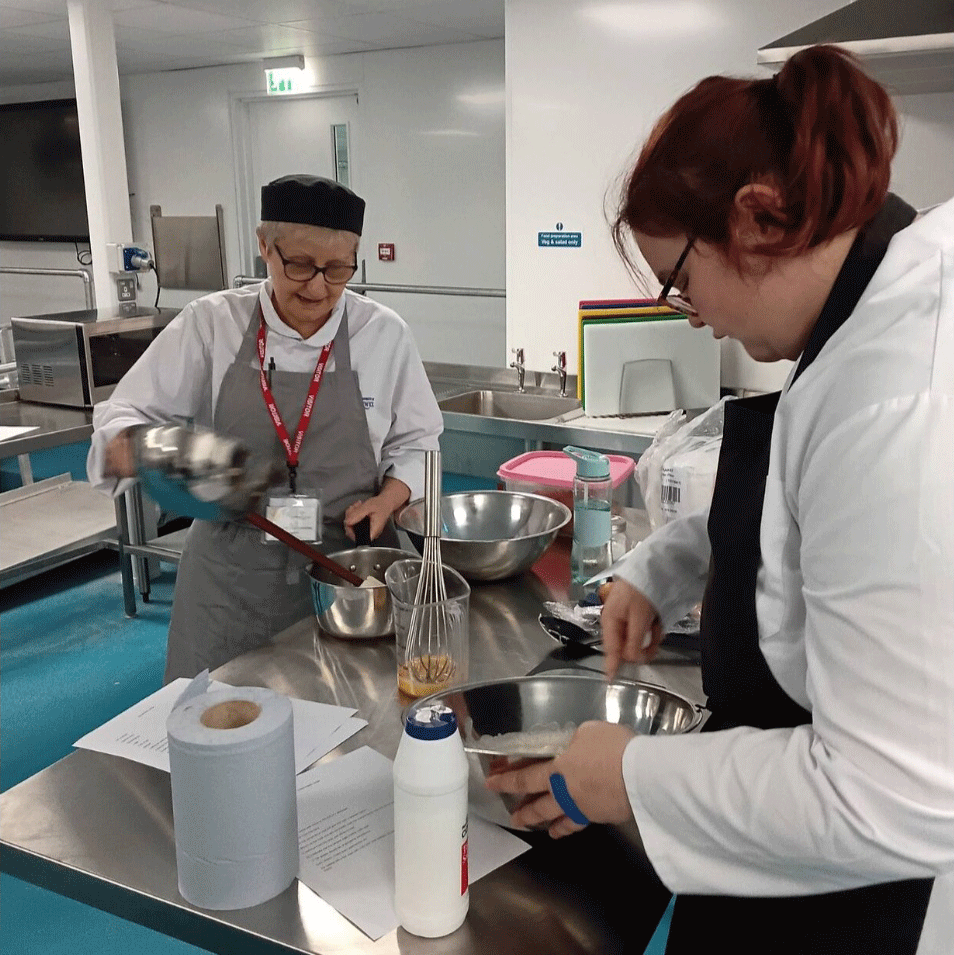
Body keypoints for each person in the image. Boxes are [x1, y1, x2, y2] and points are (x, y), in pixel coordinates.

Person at [486, 46, 953, 954]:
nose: (688, 313)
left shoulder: (901, 394)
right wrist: (666, 560)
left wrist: (634, 776)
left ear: (756, 218)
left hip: (879, 902)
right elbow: (804, 500)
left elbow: (889, 795)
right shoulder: (876, 306)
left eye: (680, 279)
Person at [88, 175, 443, 682]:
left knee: (352, 731)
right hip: (228, 582)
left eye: (339, 269)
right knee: (218, 732)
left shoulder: (383, 334)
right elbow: (123, 416)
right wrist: (142, 449)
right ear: (263, 248)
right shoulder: (211, 325)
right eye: (299, 265)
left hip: (348, 575)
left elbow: (417, 441)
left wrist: (389, 499)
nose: (319, 287)